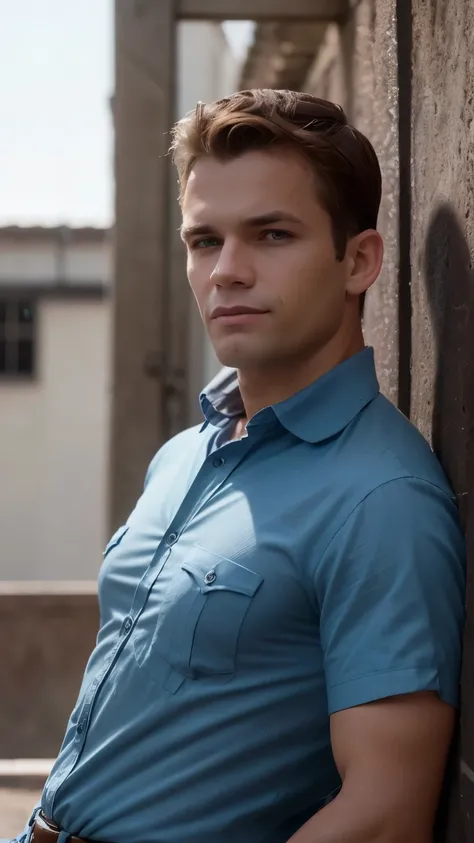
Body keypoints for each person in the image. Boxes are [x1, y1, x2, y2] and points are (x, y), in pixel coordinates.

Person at [13, 89, 465, 843]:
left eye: (272, 233)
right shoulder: (185, 453)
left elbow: (383, 816)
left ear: (358, 260)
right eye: (203, 241)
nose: (227, 271)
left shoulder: (383, 497)